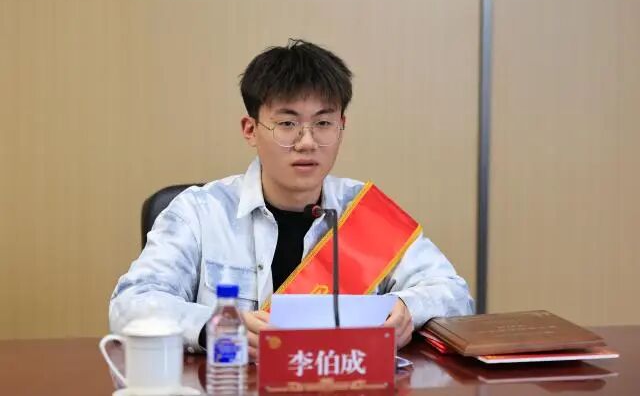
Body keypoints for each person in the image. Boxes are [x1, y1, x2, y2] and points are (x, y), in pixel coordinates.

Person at [109, 39, 474, 358]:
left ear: (341, 128)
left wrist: (407, 307)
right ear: (250, 130)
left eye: (323, 123)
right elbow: (131, 304)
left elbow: (455, 293)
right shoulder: (199, 212)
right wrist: (215, 327)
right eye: (287, 124)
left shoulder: (364, 213)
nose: (307, 142)